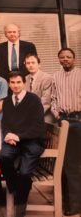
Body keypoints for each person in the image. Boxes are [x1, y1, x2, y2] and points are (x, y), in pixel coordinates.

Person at [0, 71, 45, 217]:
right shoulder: (6, 101)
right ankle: (15, 186)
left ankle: (19, 211)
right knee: (3, 157)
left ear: (24, 83)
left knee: (25, 174)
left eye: (18, 82)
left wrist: (18, 136)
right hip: (13, 141)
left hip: (31, 141)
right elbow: (4, 123)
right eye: (12, 83)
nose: (15, 85)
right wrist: (7, 135)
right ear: (9, 84)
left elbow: (38, 127)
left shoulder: (34, 99)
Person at [51, 48, 81, 216]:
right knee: (64, 164)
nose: (65, 59)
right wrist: (58, 116)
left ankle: (75, 204)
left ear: (74, 59)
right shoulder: (55, 77)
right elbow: (53, 100)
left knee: (75, 164)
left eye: (68, 57)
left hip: (79, 121)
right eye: (62, 57)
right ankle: (69, 202)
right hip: (63, 122)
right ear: (59, 60)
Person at [24, 54, 53, 123]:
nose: (30, 65)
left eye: (33, 62)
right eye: (28, 63)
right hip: (29, 114)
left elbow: (46, 101)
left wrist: (34, 116)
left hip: (45, 114)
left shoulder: (47, 78)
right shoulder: (25, 79)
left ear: (39, 65)